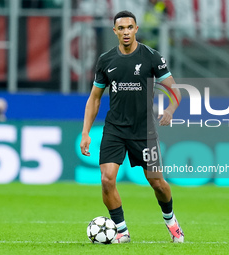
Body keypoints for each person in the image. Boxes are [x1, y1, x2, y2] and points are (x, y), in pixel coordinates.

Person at [80, 10, 183, 243]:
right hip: (115, 129)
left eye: (130, 27)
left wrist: (169, 110)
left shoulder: (151, 57)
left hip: (143, 131)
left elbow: (175, 90)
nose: (126, 32)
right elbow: (94, 98)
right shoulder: (106, 60)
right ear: (115, 31)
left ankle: (172, 222)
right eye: (121, 28)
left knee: (157, 182)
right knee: (107, 179)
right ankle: (122, 231)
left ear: (136, 29)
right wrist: (86, 132)